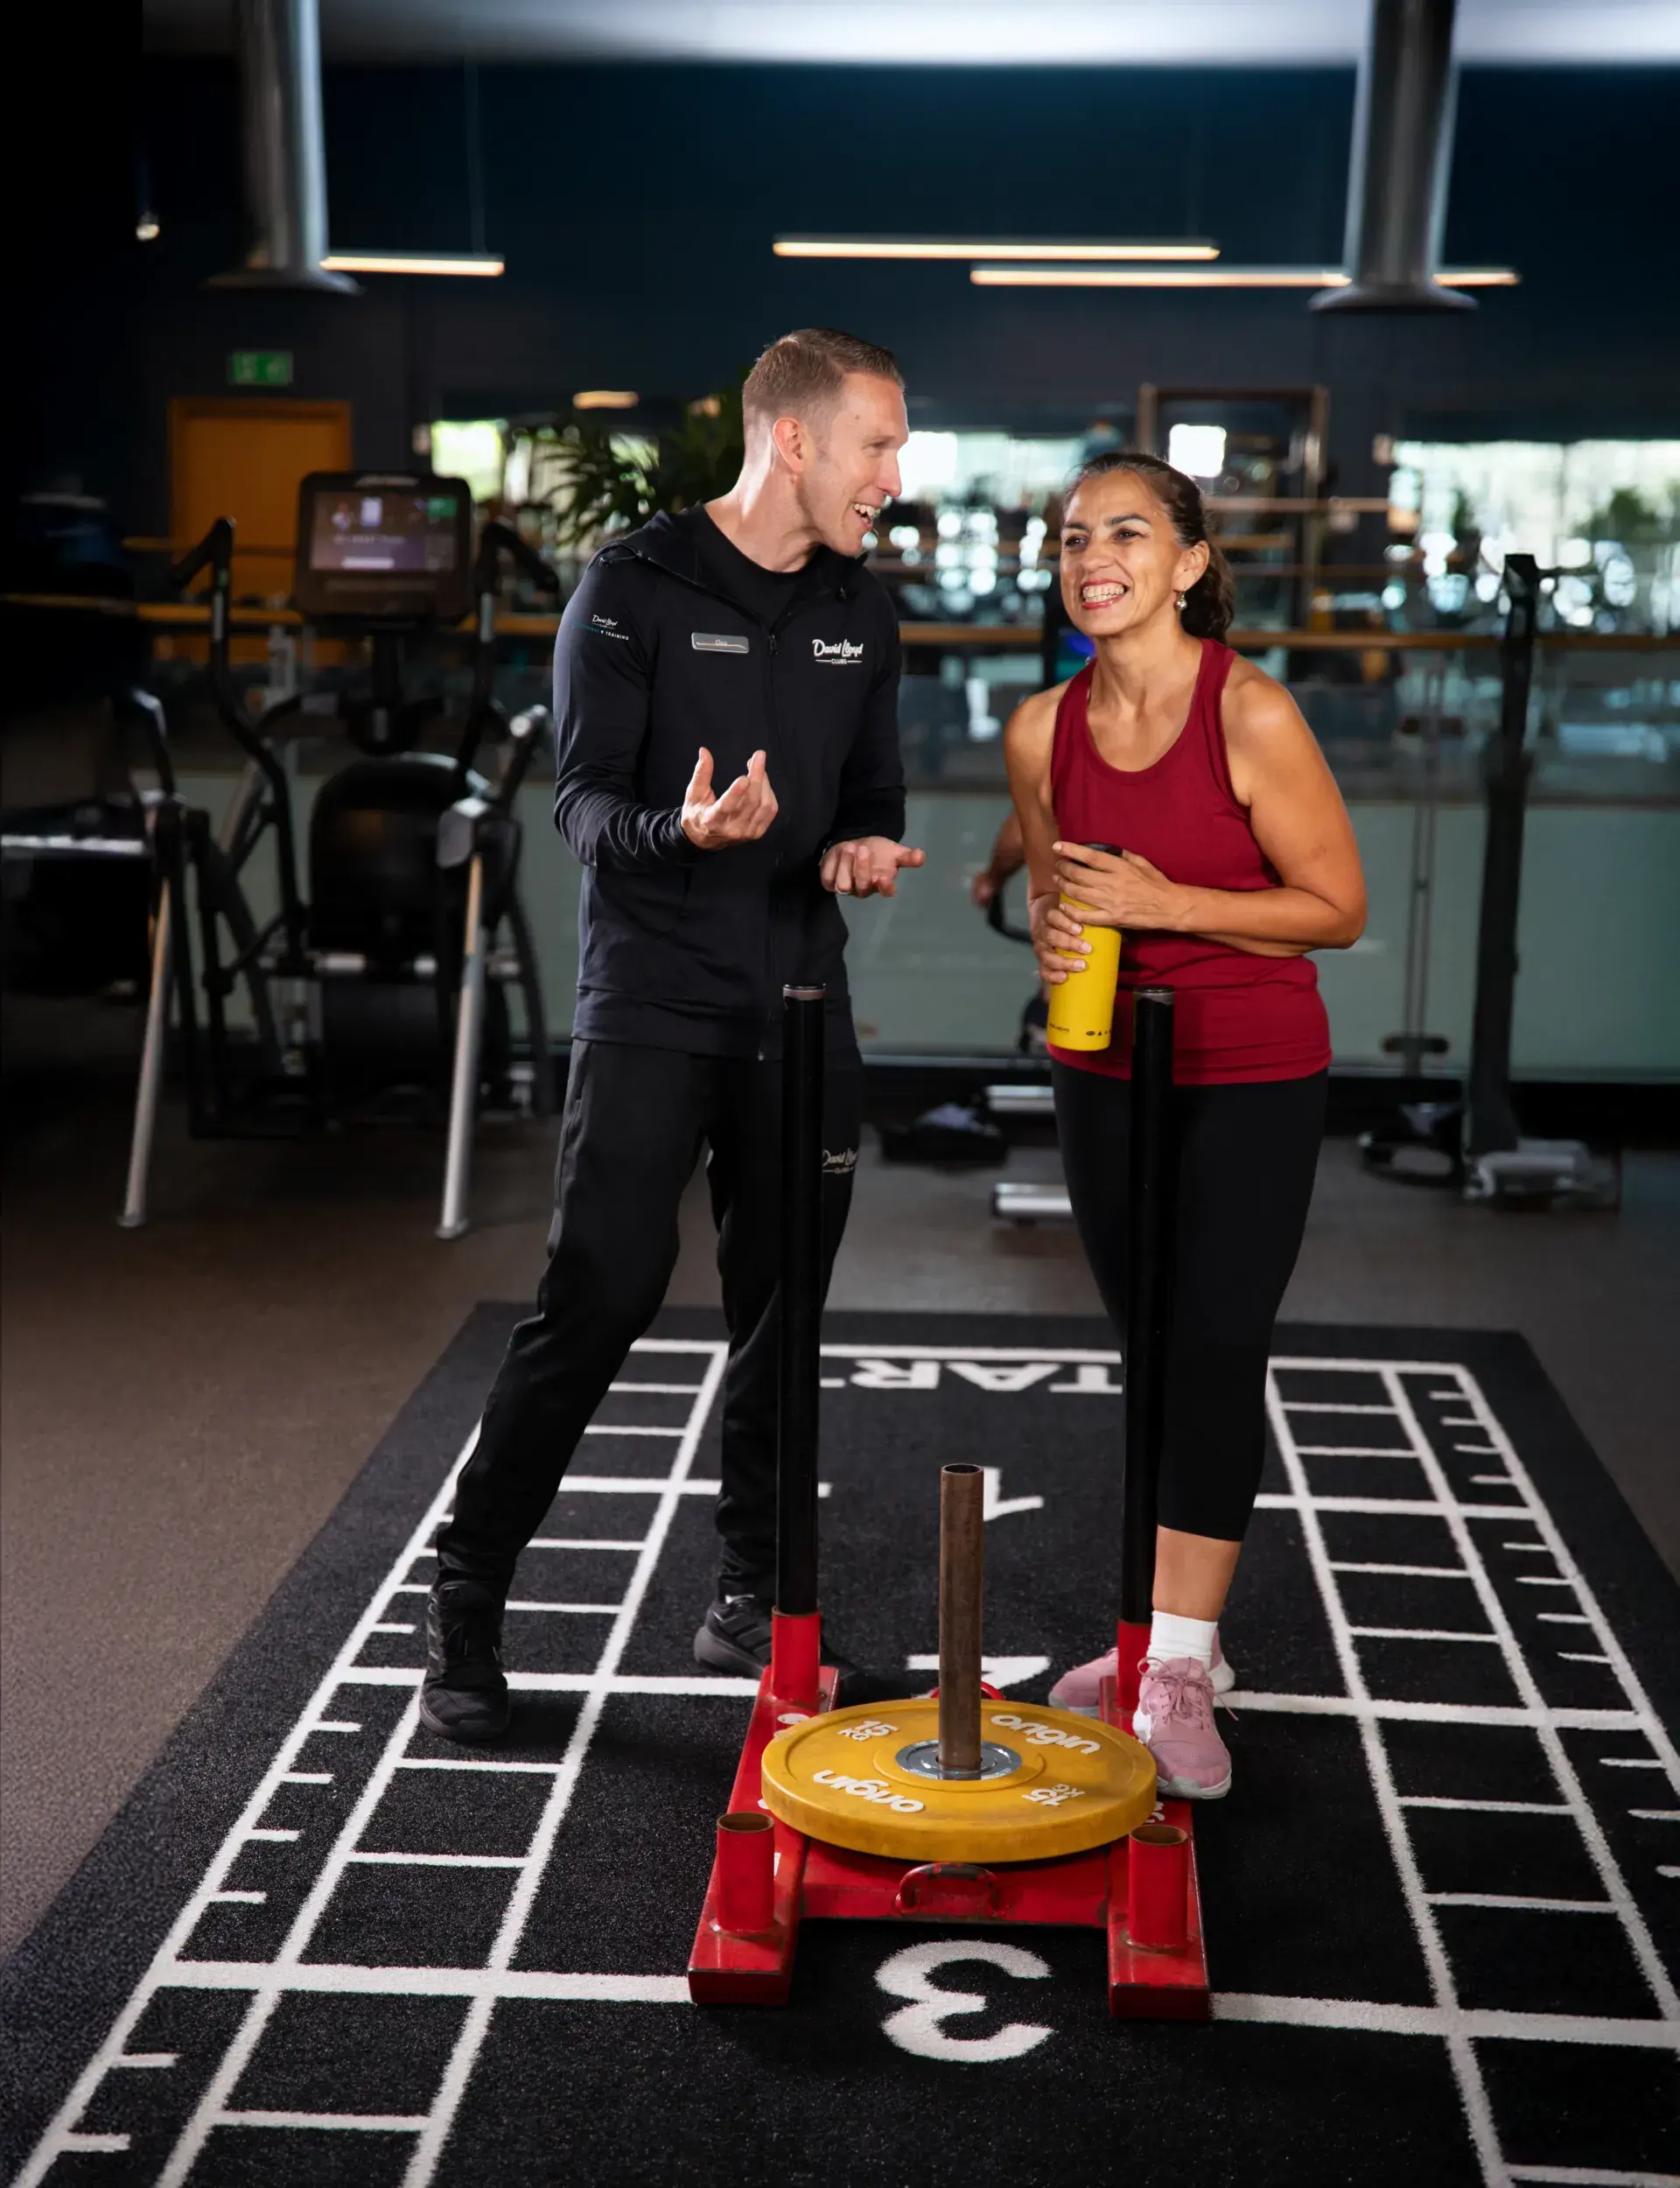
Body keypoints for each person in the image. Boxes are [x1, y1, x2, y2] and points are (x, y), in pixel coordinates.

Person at [423, 329, 925, 1743]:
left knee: (785, 1312)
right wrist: (683, 827)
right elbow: (581, 808)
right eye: (878, 444)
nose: (896, 474)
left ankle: (752, 1599)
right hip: (652, 997)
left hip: (799, 1006)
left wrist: (864, 851)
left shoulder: (861, 613)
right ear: (795, 441)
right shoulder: (632, 588)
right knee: (603, 1291)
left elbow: (874, 796)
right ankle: (467, 1593)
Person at [1004, 449, 1367, 1799]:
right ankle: (1160, 1636)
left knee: (1216, 1351)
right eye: (1071, 536)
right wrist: (1059, 930)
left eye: (1129, 533)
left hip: (1252, 1069)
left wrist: (1174, 905)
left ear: (1192, 562)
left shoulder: (1252, 712)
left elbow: (1335, 906)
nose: (1093, 556)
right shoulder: (1039, 730)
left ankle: (1181, 1664)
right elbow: (1060, 899)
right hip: (1104, 1072)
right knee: (1149, 1352)